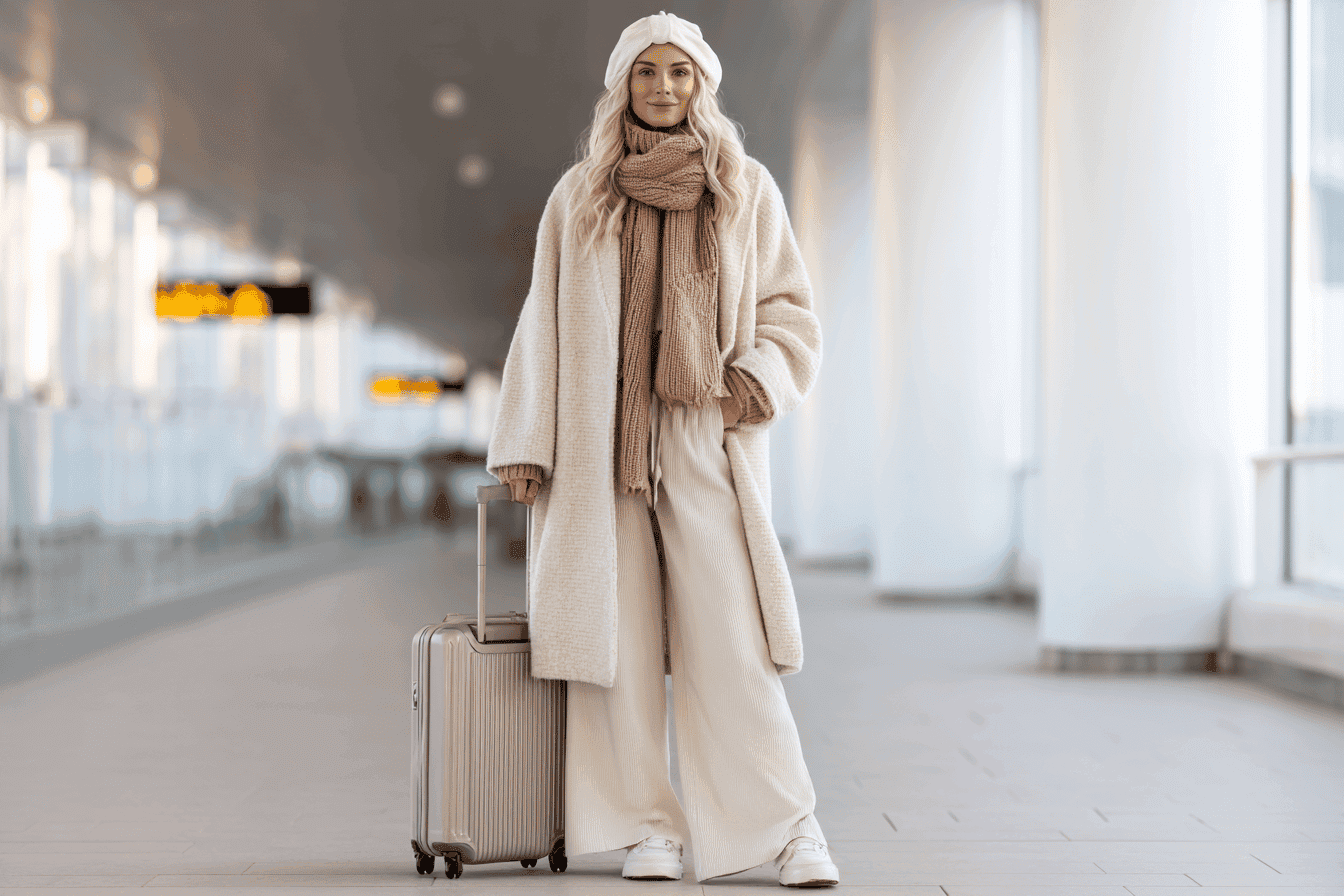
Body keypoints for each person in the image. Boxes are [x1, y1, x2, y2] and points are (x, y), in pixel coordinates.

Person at [486, 10, 838, 888]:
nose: (665, 88)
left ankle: (787, 828)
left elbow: (790, 311)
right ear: (622, 86)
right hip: (600, 438)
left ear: (704, 84)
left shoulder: (744, 187)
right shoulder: (581, 196)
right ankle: (648, 825)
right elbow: (543, 323)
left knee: (731, 639)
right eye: (648, 72)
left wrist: (749, 383)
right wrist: (525, 441)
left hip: (701, 432)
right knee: (618, 646)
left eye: (681, 72)